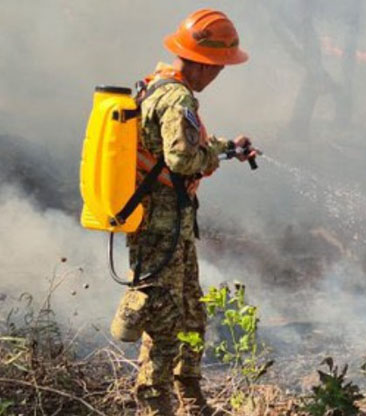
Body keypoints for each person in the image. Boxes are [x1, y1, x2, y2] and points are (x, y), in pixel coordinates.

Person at [120, 8, 257, 415]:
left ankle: (192, 400)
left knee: (192, 313)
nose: (218, 75)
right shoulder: (176, 97)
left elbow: (178, 146)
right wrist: (212, 159)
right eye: (218, 67)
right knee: (163, 322)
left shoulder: (160, 88)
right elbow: (181, 160)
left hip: (173, 225)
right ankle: (155, 405)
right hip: (157, 227)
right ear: (203, 63)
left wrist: (226, 148)